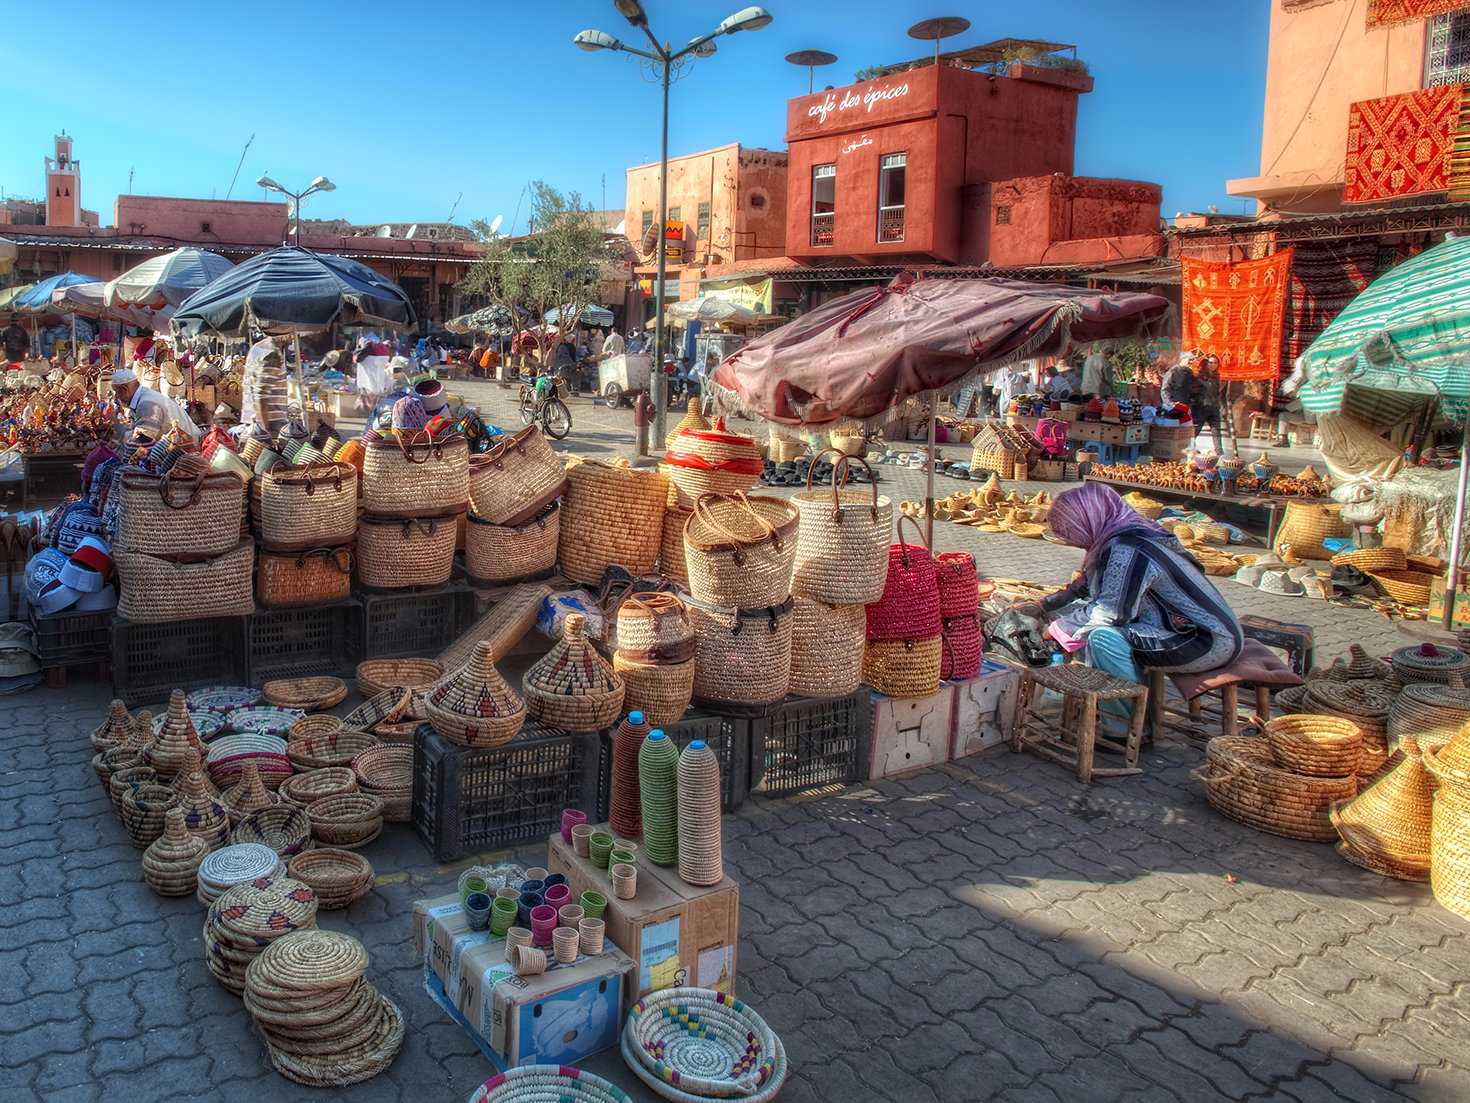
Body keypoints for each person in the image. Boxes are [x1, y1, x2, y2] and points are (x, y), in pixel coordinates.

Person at [1030, 483, 1243, 714]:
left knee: (1102, 638)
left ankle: (1126, 727)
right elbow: (1085, 585)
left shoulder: (1127, 548)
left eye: (1070, 532)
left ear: (1087, 521)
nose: (1069, 540)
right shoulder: (1128, 534)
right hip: (1198, 632)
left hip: (1204, 641)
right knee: (1082, 624)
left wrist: (1057, 628)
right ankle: (1113, 702)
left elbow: (1111, 613)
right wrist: (1043, 604)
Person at [111, 366, 200, 440]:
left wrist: (115, 423)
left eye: (117, 392)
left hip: (189, 448)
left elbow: (141, 440)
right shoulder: (144, 396)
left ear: (124, 390)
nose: (116, 397)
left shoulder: (146, 404)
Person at [1191, 355, 1225, 454]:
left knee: (1216, 431)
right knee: (1196, 431)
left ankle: (1219, 452)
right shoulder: (1199, 377)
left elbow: (1218, 393)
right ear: (1206, 363)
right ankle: (1189, 449)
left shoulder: (1217, 377)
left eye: (1215, 363)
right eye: (1210, 362)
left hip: (1214, 408)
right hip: (1201, 407)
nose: (1213, 365)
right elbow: (1193, 392)